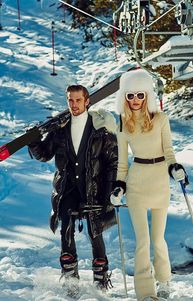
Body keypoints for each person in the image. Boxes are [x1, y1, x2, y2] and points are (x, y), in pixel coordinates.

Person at [28, 84, 118, 290]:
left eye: (78, 100)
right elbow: (44, 154)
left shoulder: (100, 129)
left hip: (94, 188)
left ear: (87, 101)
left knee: (96, 232)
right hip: (67, 189)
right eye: (70, 100)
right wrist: (33, 141)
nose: (74, 104)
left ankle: (101, 281)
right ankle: (70, 280)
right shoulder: (60, 130)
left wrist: (110, 192)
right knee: (66, 229)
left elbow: (112, 162)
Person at [110, 69, 188, 301]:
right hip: (136, 183)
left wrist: (175, 168)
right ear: (124, 97)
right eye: (130, 95)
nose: (135, 100)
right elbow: (123, 163)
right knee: (142, 241)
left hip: (159, 182)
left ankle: (163, 281)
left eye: (140, 95)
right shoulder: (123, 125)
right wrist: (119, 186)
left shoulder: (161, 119)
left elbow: (169, 152)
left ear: (147, 96)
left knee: (158, 239)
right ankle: (145, 293)